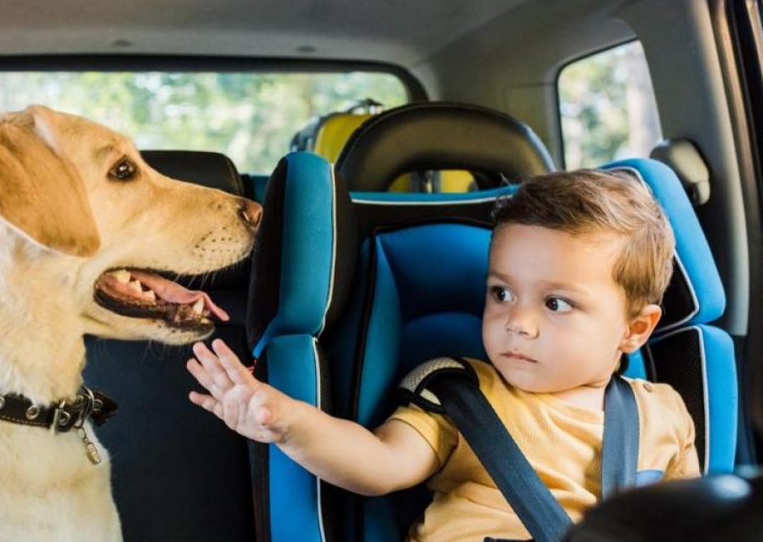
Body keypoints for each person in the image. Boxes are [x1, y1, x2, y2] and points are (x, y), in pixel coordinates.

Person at [186, 169, 701, 541]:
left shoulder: (663, 414)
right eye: (501, 293)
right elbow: (379, 463)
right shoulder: (458, 391)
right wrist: (289, 423)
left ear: (635, 330)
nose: (517, 321)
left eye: (556, 303)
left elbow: (692, 525)